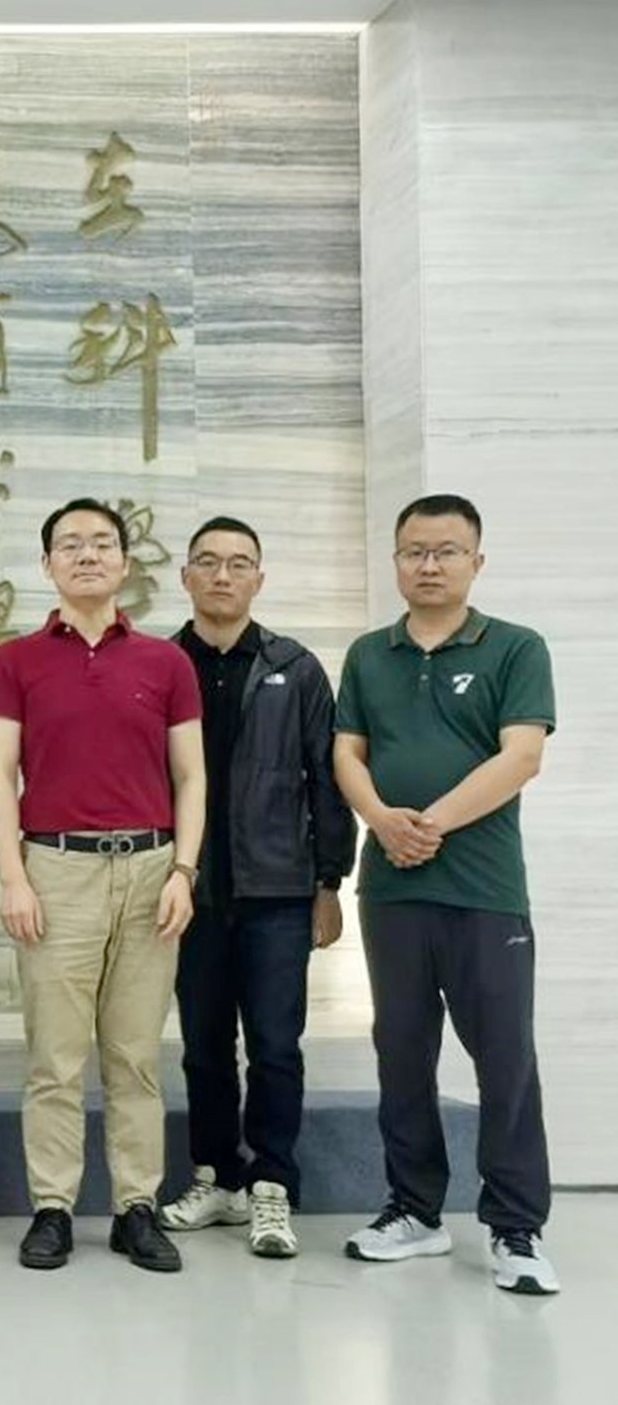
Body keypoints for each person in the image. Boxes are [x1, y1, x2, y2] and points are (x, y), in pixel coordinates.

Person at [333, 494, 558, 1295]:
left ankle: (516, 1228)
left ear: (475, 561)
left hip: (485, 890)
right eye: (415, 551)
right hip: (391, 891)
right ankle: (414, 1210)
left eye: (446, 551)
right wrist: (380, 820)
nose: (429, 565)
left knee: (504, 1056)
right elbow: (347, 753)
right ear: (396, 560)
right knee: (401, 1052)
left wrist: (428, 823)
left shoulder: (515, 647)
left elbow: (521, 757)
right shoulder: (370, 654)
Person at [0, 499, 204, 1274]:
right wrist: (14, 878)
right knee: (55, 1057)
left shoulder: (166, 663)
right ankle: (53, 1208)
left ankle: (136, 1208)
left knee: (135, 1055)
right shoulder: (14, 661)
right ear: (47, 564)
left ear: (125, 562)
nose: (87, 555)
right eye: (70, 545)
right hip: (55, 870)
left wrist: (183, 871)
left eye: (102, 543)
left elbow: (190, 776)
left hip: (150, 872)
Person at [156, 516, 354, 1259]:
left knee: (275, 1045)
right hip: (190, 893)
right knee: (203, 1046)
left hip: (277, 893)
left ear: (259, 579)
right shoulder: (161, 663)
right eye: (207, 562)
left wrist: (330, 881)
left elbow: (326, 779)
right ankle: (216, 1177)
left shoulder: (294, 668)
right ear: (185, 577)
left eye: (239, 563)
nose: (223, 575)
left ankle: (272, 1183)